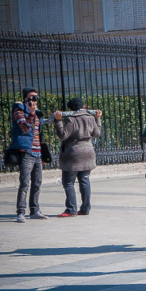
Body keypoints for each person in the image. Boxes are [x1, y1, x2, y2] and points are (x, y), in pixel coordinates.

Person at [54, 98, 102, 217]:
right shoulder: (90, 118)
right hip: (88, 152)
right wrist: (98, 119)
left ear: (70, 109)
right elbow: (97, 134)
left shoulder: (71, 119)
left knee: (68, 182)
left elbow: (63, 135)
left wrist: (58, 121)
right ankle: (85, 208)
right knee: (85, 181)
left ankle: (71, 209)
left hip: (74, 154)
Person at [10, 87, 48, 223]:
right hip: (26, 153)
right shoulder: (18, 111)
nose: (33, 100)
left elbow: (39, 133)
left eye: (35, 97)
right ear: (25, 99)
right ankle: (20, 212)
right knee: (24, 184)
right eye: (31, 97)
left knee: (37, 183)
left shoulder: (37, 113)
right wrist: (31, 113)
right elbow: (25, 128)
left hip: (38, 153)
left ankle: (35, 210)